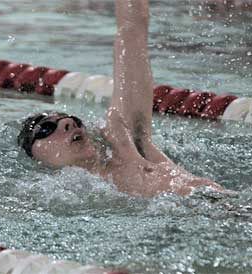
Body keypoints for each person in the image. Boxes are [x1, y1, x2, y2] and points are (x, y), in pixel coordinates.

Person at [18, 0, 224, 197]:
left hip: (227, 206)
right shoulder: (70, 197)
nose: (67, 122)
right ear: (37, 160)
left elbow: (132, 30)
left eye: (70, 118)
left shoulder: (127, 142)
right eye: (46, 129)